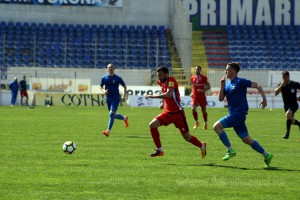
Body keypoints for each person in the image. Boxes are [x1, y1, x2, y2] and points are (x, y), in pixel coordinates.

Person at [213, 62, 273, 168]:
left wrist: (264, 98)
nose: (225, 71)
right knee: (246, 139)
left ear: (233, 71)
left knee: (217, 126)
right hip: (234, 115)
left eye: (227, 69)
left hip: (239, 114)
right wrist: (222, 86)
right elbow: (221, 99)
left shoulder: (241, 81)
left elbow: (257, 85)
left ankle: (230, 150)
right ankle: (266, 155)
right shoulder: (227, 84)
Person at [145, 66, 207, 158]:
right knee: (152, 125)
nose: (159, 77)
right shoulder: (160, 82)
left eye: (160, 75)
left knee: (187, 137)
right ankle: (160, 150)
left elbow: (168, 94)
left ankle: (202, 146)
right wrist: (163, 103)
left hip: (178, 114)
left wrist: (152, 96)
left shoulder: (171, 80)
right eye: (158, 75)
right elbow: (164, 93)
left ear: (166, 74)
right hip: (168, 113)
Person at [100, 63, 128, 137]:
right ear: (107, 69)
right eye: (109, 67)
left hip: (116, 98)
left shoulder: (118, 78)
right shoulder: (104, 78)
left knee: (111, 114)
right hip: (108, 98)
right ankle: (124, 118)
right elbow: (100, 87)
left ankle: (108, 131)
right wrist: (103, 91)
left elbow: (125, 86)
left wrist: (124, 96)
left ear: (114, 68)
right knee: (113, 115)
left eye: (112, 67)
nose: (110, 68)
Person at [274, 71, 300, 139]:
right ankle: (299, 124)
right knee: (292, 121)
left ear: (288, 77)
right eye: (283, 77)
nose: (284, 79)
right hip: (286, 106)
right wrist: (282, 85)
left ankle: (287, 133)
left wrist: (299, 97)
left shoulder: (294, 84)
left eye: (285, 77)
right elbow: (276, 93)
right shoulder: (281, 85)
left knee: (288, 114)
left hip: (294, 104)